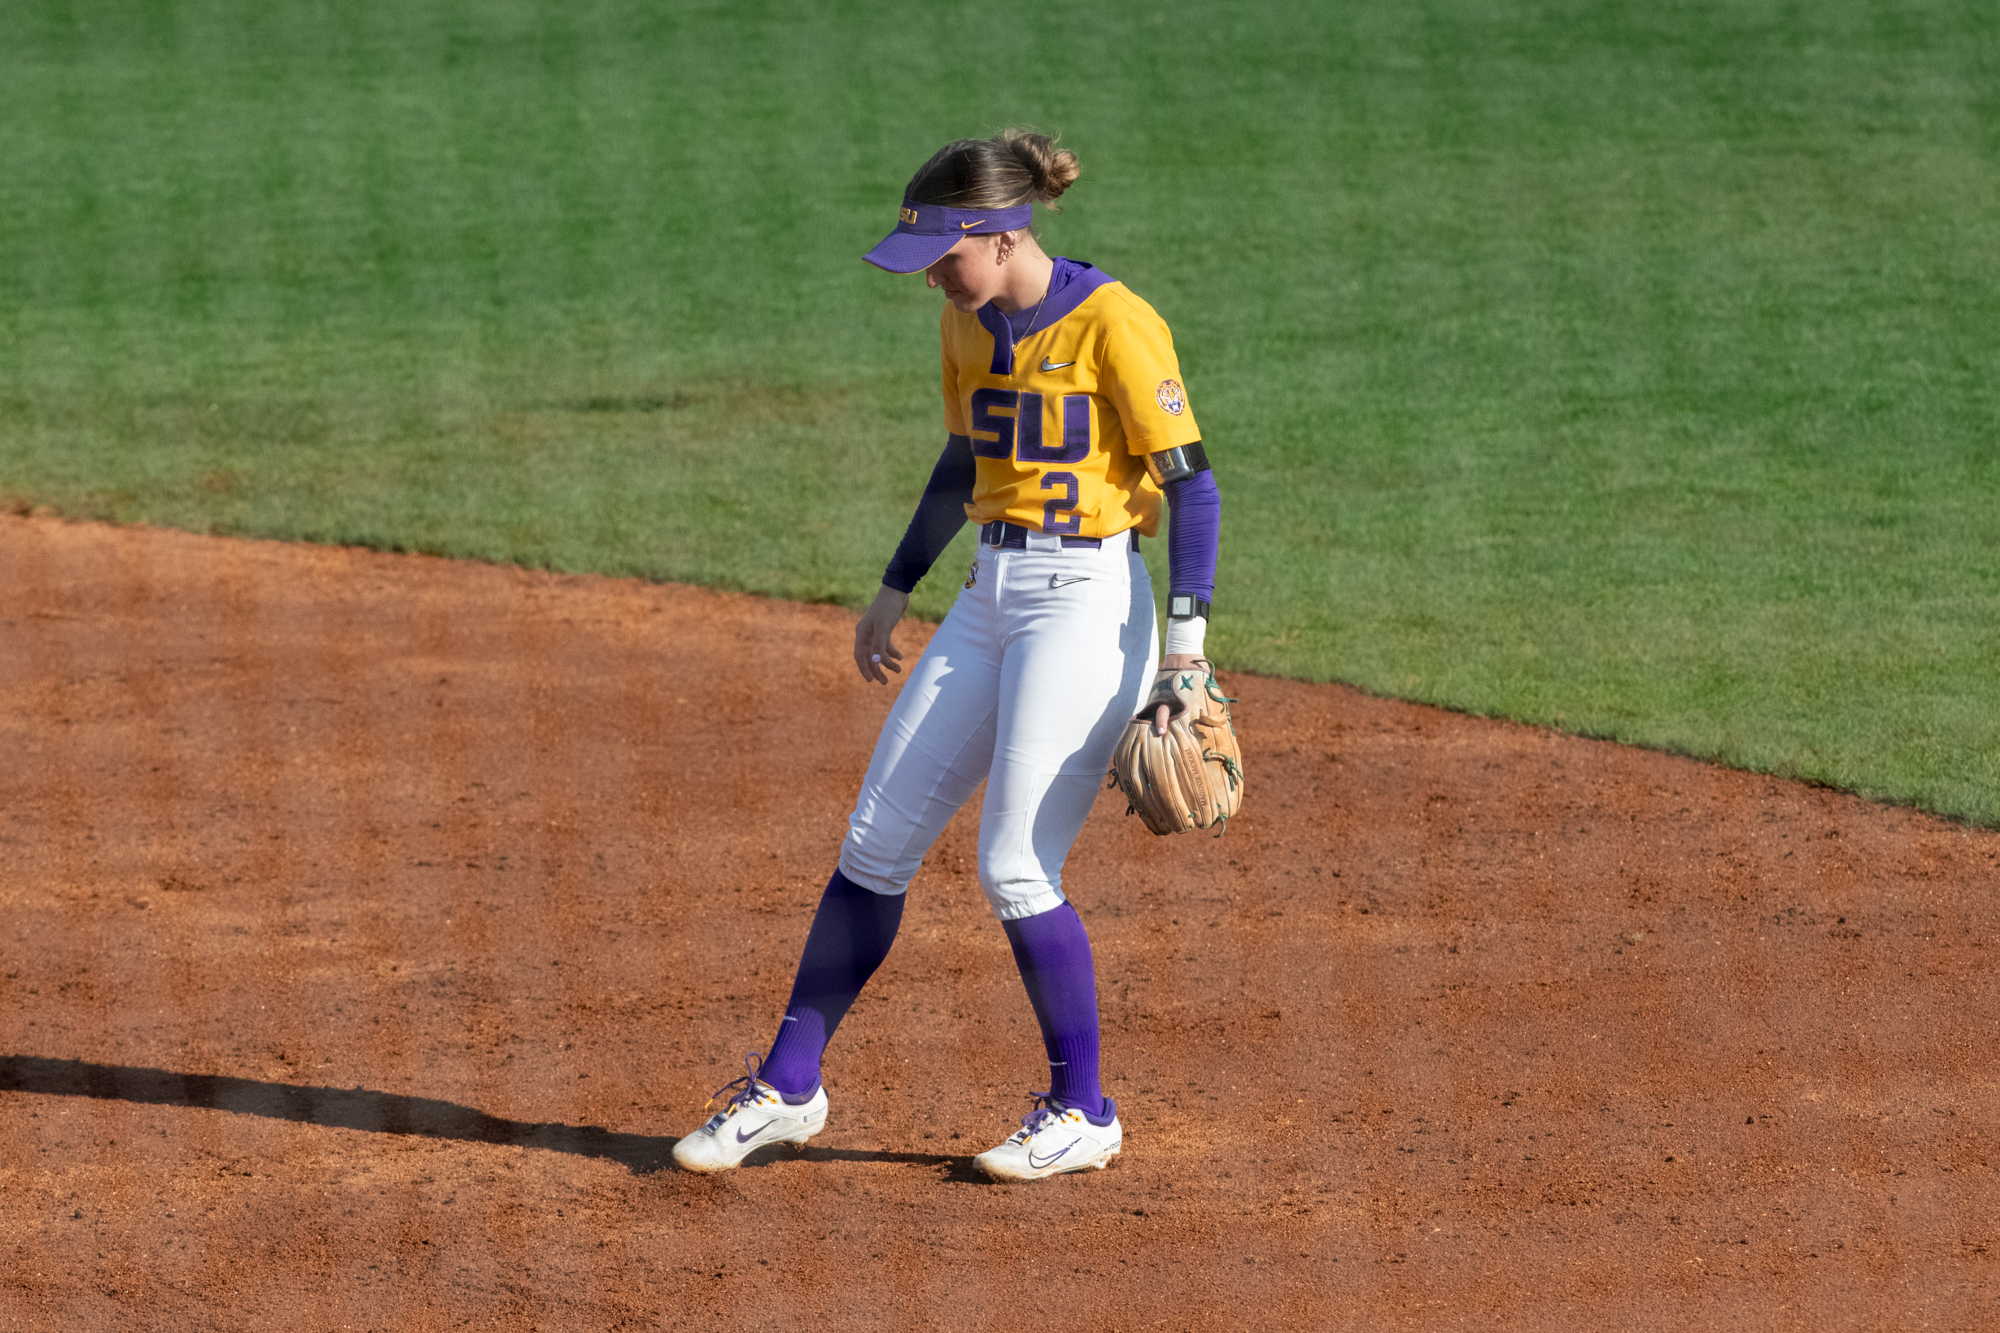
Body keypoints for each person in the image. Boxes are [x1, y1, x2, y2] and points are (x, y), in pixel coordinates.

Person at [672, 129, 1222, 1181]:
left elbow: (1190, 485)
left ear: (998, 232)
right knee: (874, 842)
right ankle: (787, 1087)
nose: (928, 274)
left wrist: (1184, 655)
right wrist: (895, 583)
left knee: (1014, 865)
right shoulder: (963, 322)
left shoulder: (1116, 321)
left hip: (1088, 602)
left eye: (940, 254)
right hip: (988, 596)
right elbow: (965, 452)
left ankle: (1082, 1110)